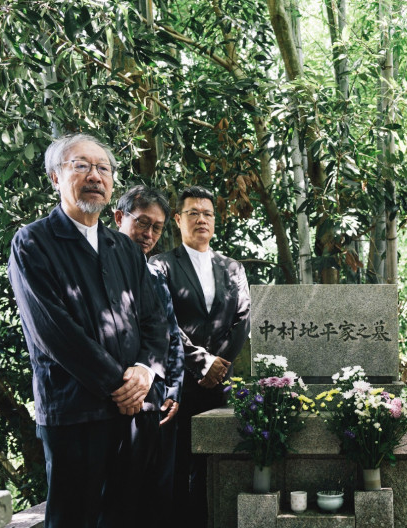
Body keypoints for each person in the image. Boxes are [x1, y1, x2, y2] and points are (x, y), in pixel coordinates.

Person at [8, 133, 170, 527]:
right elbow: (55, 332)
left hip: (134, 416)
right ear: (54, 177)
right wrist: (121, 384)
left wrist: (146, 370)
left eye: (103, 168)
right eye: (81, 165)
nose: (95, 175)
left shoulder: (125, 248)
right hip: (74, 413)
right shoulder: (33, 242)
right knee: (74, 519)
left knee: (125, 516)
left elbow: (153, 320)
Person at [149, 185, 251, 526]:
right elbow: (164, 320)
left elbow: (242, 321)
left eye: (207, 213)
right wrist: (201, 362)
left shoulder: (232, 267)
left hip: (221, 386)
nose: (201, 219)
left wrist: (218, 366)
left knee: (220, 466)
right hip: (178, 384)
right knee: (177, 468)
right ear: (178, 220)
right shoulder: (160, 265)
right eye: (193, 213)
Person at [113, 184, 190, 516]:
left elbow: (171, 333)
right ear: (120, 217)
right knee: (121, 499)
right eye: (142, 222)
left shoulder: (155, 274)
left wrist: (174, 386)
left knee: (158, 498)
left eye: (157, 228)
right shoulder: (105, 266)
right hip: (122, 400)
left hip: (160, 403)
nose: (148, 234)